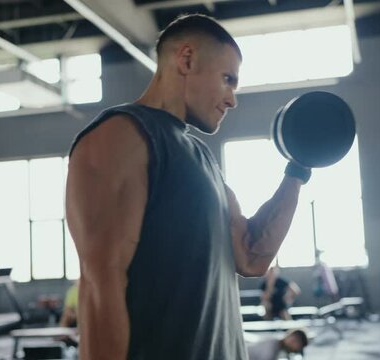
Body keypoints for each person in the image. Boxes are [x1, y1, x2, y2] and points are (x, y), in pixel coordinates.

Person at [65, 14, 311, 360]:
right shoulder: (121, 136)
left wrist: (298, 170)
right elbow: (100, 284)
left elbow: (252, 256)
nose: (232, 100)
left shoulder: (203, 159)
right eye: (228, 80)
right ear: (187, 59)